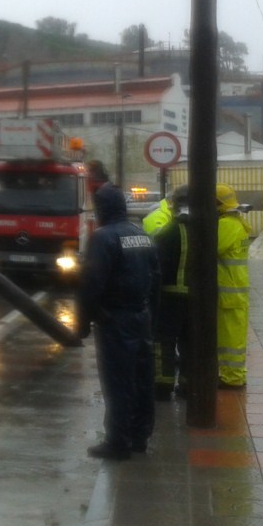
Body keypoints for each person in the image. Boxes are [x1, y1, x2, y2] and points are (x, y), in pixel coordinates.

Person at [76, 184, 161, 460]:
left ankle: (118, 441)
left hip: (115, 319)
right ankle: (140, 436)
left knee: (118, 381)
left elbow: (91, 284)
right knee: (142, 378)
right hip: (142, 316)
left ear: (101, 209)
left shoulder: (103, 238)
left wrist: (83, 322)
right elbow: (156, 279)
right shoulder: (141, 235)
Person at [151, 186, 192, 400]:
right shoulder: (205, 232)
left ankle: (162, 385)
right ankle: (187, 385)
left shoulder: (167, 233)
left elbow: (157, 270)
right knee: (190, 342)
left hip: (169, 298)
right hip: (196, 299)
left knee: (163, 341)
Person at [216, 184, 252, 388]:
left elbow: (209, 247)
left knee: (231, 340)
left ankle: (233, 378)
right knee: (232, 337)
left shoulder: (227, 225)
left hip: (229, 292)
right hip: (235, 290)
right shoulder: (236, 222)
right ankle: (232, 375)